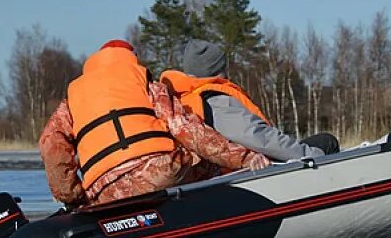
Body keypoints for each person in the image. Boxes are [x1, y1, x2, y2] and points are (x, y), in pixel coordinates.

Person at [39, 40, 270, 208]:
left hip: (103, 191)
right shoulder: (144, 82)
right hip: (158, 173)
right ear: (131, 57)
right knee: (207, 162)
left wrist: (74, 198)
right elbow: (187, 129)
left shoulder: (72, 99)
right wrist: (245, 157)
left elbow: (51, 145)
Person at [160, 39, 340, 162]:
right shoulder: (214, 100)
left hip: (229, 170)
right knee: (326, 142)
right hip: (247, 173)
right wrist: (311, 155)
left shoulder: (182, 98)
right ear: (218, 68)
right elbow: (260, 138)